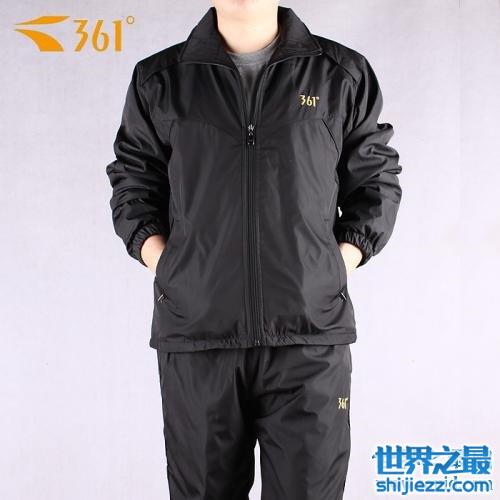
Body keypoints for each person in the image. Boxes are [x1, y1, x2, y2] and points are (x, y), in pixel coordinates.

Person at [105, 1, 402, 498]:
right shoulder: (161, 80)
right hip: (198, 338)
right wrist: (170, 266)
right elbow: (133, 184)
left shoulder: (340, 75)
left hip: (309, 340)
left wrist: (334, 265)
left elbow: (376, 182)